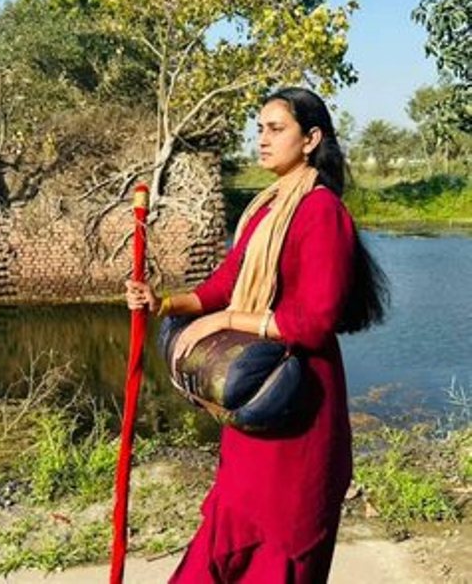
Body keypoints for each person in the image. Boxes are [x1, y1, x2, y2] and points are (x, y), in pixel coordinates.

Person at [126, 87, 389, 583]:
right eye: (259, 129)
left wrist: (228, 321)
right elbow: (226, 283)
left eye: (276, 129)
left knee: (278, 553)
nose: (262, 140)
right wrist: (163, 303)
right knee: (225, 541)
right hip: (255, 410)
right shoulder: (266, 208)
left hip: (297, 406)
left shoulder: (321, 211)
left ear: (311, 139)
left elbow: (314, 321)